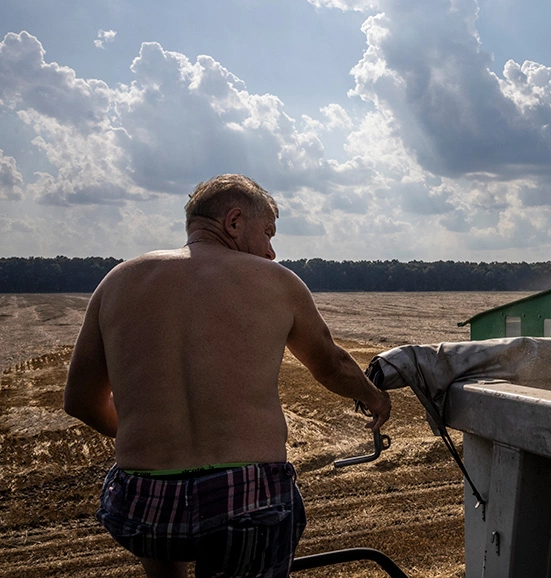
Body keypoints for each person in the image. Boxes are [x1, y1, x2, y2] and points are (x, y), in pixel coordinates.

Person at [64, 174, 391, 578]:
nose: (271, 251)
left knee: (159, 545)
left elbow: (79, 400)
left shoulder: (117, 281)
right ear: (234, 221)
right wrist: (376, 398)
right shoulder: (277, 281)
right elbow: (332, 366)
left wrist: (153, 437)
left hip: (143, 501)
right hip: (246, 498)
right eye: (268, 232)